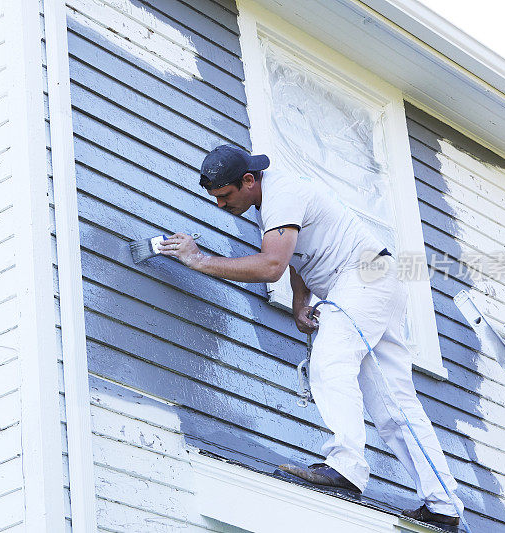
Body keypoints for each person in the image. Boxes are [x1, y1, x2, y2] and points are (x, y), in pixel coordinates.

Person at [158, 144, 463, 527]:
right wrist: (301, 302)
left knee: (330, 360)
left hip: (362, 279)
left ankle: (346, 467)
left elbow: (272, 265)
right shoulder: (271, 202)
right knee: (392, 405)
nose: (220, 205)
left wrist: (198, 260)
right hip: (372, 282)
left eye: (225, 196)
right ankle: (444, 504)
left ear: (248, 181)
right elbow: (298, 256)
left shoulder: (281, 194)